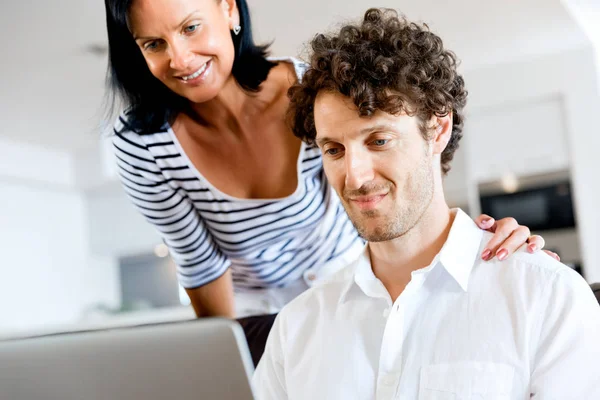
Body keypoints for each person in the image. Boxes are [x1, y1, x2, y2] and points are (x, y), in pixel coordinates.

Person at [104, 0, 555, 364]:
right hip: (253, 308)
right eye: (153, 44)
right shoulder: (144, 145)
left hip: (349, 278)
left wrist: (471, 250)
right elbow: (200, 263)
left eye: (190, 28)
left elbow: (386, 189)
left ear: (229, 10)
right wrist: (229, 360)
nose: (179, 59)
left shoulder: (308, 90)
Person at [253, 8, 600, 399]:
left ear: (438, 129)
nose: (355, 176)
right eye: (334, 149)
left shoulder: (546, 297)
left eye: (379, 141)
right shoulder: (295, 329)